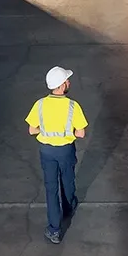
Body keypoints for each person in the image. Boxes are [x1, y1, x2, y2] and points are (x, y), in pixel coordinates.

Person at [25, 66, 88, 244]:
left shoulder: (40, 104)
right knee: (67, 180)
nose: (69, 82)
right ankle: (69, 208)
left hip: (46, 151)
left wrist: (46, 131)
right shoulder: (72, 106)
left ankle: (54, 229)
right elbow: (81, 133)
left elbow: (31, 130)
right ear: (61, 86)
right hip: (65, 150)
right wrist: (66, 133)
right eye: (67, 80)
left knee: (51, 188)